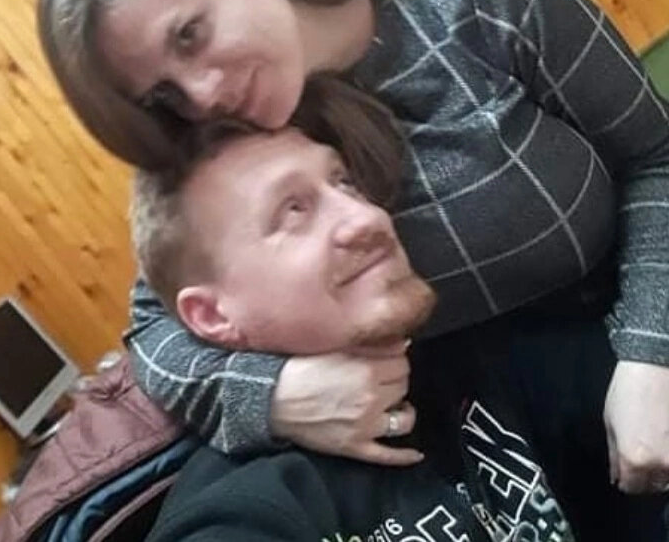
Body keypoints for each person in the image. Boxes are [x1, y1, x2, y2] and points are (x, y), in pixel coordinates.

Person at [37, 0, 669, 535]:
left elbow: (657, 154)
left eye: (190, 34)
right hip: (513, 442)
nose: (202, 94)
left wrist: (651, 351)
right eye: (164, 92)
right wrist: (273, 397)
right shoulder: (236, 138)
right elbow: (157, 330)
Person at [131, 122, 575, 542]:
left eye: (344, 182)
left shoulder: (480, 362)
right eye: (294, 210)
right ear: (213, 316)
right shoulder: (252, 506)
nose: (369, 217)